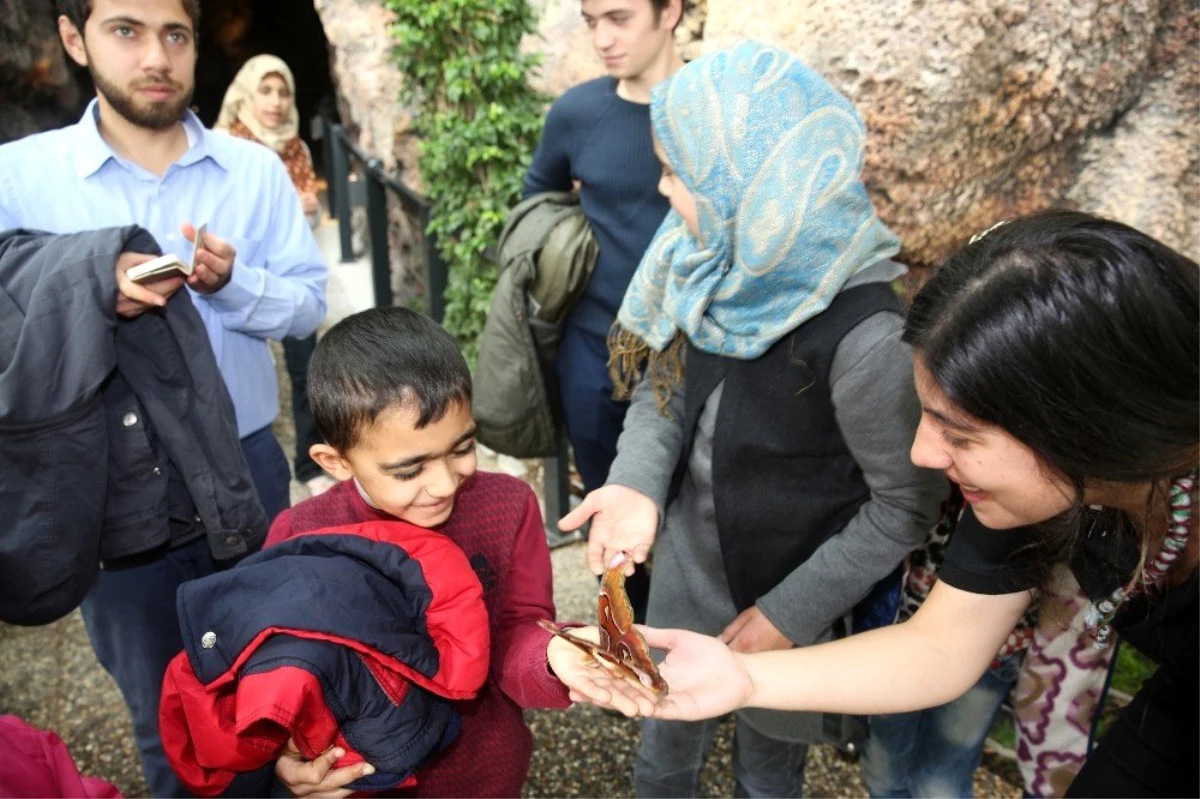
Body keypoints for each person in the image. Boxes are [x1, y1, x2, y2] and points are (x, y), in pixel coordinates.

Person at [575, 210, 1200, 797]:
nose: (925, 454)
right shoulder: (1022, 495)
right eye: (925, 417)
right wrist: (747, 680)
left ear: (1094, 433)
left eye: (959, 434)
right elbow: (942, 646)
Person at [558, 40, 947, 797]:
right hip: (688, 572)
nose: (665, 191)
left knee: (771, 771)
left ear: (752, 184)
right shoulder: (711, 258)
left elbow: (904, 503)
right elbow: (662, 389)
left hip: (794, 592)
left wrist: (785, 613)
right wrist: (637, 483)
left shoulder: (867, 337)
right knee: (663, 743)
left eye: (680, 172)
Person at [0, 2, 326, 796]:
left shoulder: (252, 171)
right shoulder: (19, 177)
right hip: (110, 480)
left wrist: (233, 284)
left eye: (174, 34)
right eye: (126, 30)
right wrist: (83, 288)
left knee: (279, 688)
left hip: (246, 463)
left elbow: (310, 305)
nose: (157, 56)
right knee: (170, 725)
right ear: (75, 39)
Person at [263, 306, 616, 798]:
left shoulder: (507, 505)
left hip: (484, 769)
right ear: (336, 461)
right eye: (409, 471)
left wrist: (556, 654)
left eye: (462, 447)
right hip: (358, 782)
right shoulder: (298, 536)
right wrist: (284, 759)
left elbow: (519, 630)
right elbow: (272, 677)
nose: (445, 483)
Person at [521, 0, 687, 617]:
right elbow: (537, 199)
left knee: (697, 522)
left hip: (696, 355)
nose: (601, 38)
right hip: (595, 354)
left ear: (669, 11)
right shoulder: (578, 113)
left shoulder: (712, 107)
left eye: (618, 17)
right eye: (591, 21)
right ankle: (629, 644)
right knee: (610, 519)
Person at [214, 53, 337, 497]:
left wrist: (309, 209)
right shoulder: (222, 147)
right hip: (231, 279)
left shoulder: (296, 148)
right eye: (265, 90)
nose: (276, 101)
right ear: (245, 93)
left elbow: (308, 224)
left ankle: (308, 461)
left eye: (283, 91)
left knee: (308, 368)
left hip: (285, 278)